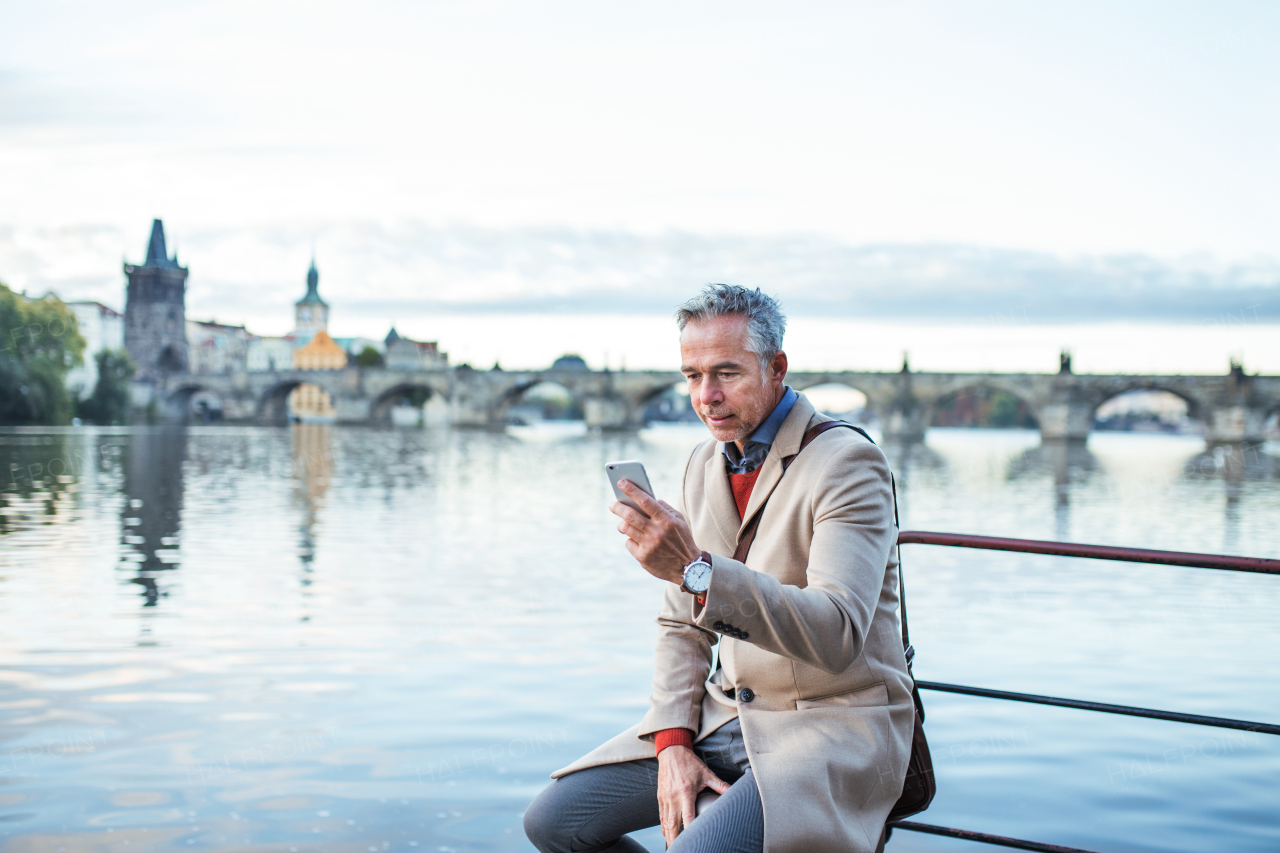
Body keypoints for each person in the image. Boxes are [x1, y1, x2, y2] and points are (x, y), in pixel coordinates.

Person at [524, 285, 914, 853]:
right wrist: (674, 740)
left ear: (776, 368)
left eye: (726, 373)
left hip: (830, 725)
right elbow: (681, 624)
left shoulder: (848, 462)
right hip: (729, 715)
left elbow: (838, 633)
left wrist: (697, 570)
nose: (706, 395)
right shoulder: (705, 462)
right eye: (691, 375)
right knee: (555, 823)